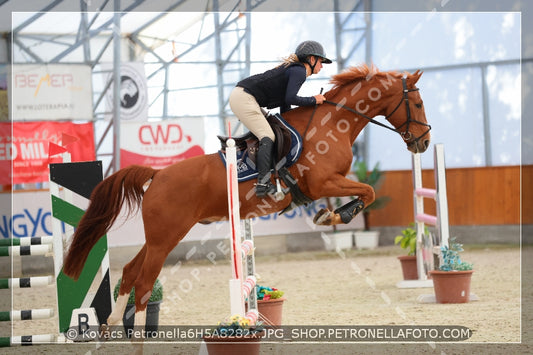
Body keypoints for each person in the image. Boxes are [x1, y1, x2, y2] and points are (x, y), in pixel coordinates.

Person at [229, 40, 332, 197]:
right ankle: (263, 183)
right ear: (311, 59)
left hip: (246, 97)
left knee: (275, 131)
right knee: (268, 135)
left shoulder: (296, 70)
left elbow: (285, 103)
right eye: (321, 61)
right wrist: (314, 100)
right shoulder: (299, 71)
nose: (322, 66)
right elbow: (291, 98)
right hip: (244, 98)